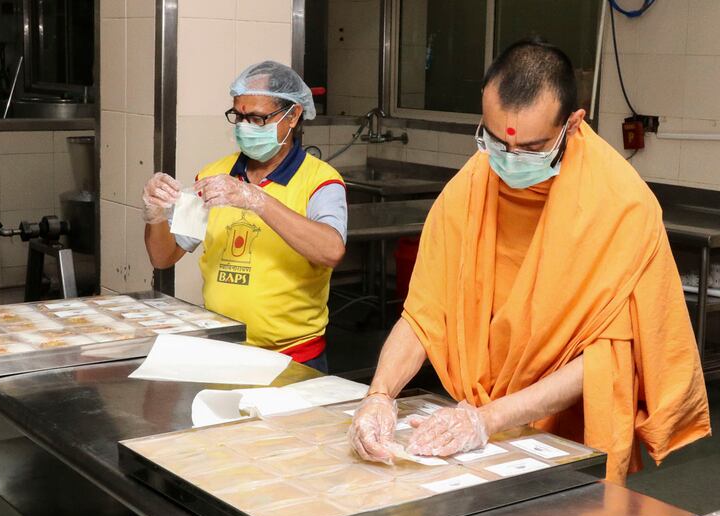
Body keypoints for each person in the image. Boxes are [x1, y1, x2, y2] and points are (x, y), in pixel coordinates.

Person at [348, 39, 711, 484]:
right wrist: (379, 395)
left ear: (573, 125)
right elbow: (424, 314)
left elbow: (607, 358)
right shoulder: (472, 186)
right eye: (496, 141)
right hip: (474, 419)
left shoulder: (620, 206)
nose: (509, 161)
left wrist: (488, 420)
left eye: (532, 148)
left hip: (565, 430)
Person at [143, 61, 347, 372]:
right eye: (238, 117)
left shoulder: (320, 181)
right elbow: (163, 256)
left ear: (293, 116)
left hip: (294, 359)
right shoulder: (214, 175)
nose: (244, 127)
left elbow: (331, 250)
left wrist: (255, 199)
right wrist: (155, 214)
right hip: (224, 352)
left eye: (257, 118)